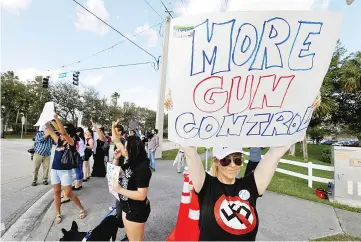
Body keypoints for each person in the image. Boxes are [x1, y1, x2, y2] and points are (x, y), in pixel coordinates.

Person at [180, 98, 321, 241]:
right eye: (225, 160)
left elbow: (275, 154)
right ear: (216, 161)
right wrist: (176, 109)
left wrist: (306, 111)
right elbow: (190, 152)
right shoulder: (206, 185)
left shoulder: (250, 185)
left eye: (238, 159)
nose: (233, 165)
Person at [112, 120, 152, 241]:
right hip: (126, 206)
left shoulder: (143, 168)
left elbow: (141, 195)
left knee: (136, 240)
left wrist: (119, 189)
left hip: (136, 210)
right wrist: (116, 159)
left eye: (126, 147)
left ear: (133, 150)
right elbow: (116, 141)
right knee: (130, 238)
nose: (123, 149)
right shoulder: (130, 159)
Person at [46, 113, 86, 224]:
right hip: (55, 170)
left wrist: (55, 118)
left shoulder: (71, 142)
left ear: (69, 133)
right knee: (57, 192)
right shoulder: (59, 140)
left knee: (68, 193)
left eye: (63, 131)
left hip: (65, 171)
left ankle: (81, 208)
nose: (60, 132)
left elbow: (62, 131)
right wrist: (46, 119)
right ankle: (58, 213)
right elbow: (49, 129)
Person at [111, 122, 128, 241]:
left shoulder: (138, 165)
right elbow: (115, 141)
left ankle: (129, 235)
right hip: (120, 177)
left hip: (127, 186)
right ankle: (121, 221)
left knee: (126, 211)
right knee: (119, 207)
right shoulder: (119, 144)